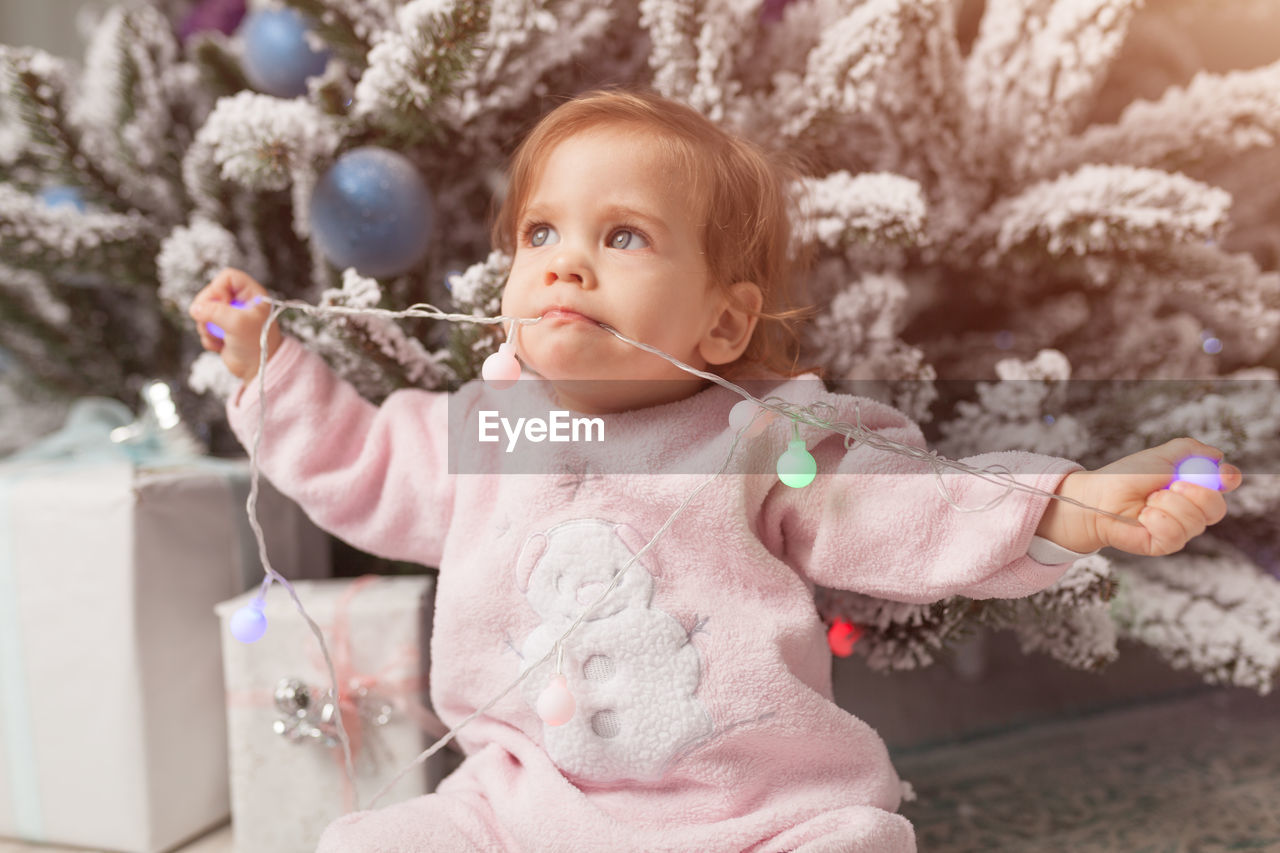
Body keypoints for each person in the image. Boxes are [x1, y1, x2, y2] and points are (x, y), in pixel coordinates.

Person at [189, 89, 1241, 852]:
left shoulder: (755, 444)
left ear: (722, 317)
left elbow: (915, 509)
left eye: (623, 235)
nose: (563, 262)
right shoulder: (489, 431)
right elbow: (361, 461)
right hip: (521, 807)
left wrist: (1067, 501)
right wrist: (264, 367)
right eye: (541, 232)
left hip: (745, 812)